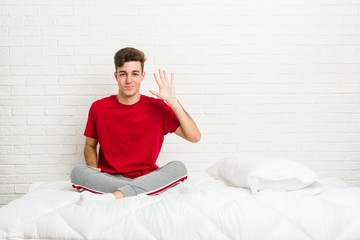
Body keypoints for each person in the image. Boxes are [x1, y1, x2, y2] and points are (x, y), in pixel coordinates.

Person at [70, 47, 201, 205]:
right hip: (108, 177)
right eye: (123, 74)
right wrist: (92, 167)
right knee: (77, 172)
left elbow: (194, 136)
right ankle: (139, 190)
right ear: (116, 76)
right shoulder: (98, 108)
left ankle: (116, 196)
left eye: (135, 74)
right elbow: (89, 146)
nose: (129, 80)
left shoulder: (158, 107)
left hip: (147, 176)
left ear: (142, 76)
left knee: (179, 167)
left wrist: (172, 100)